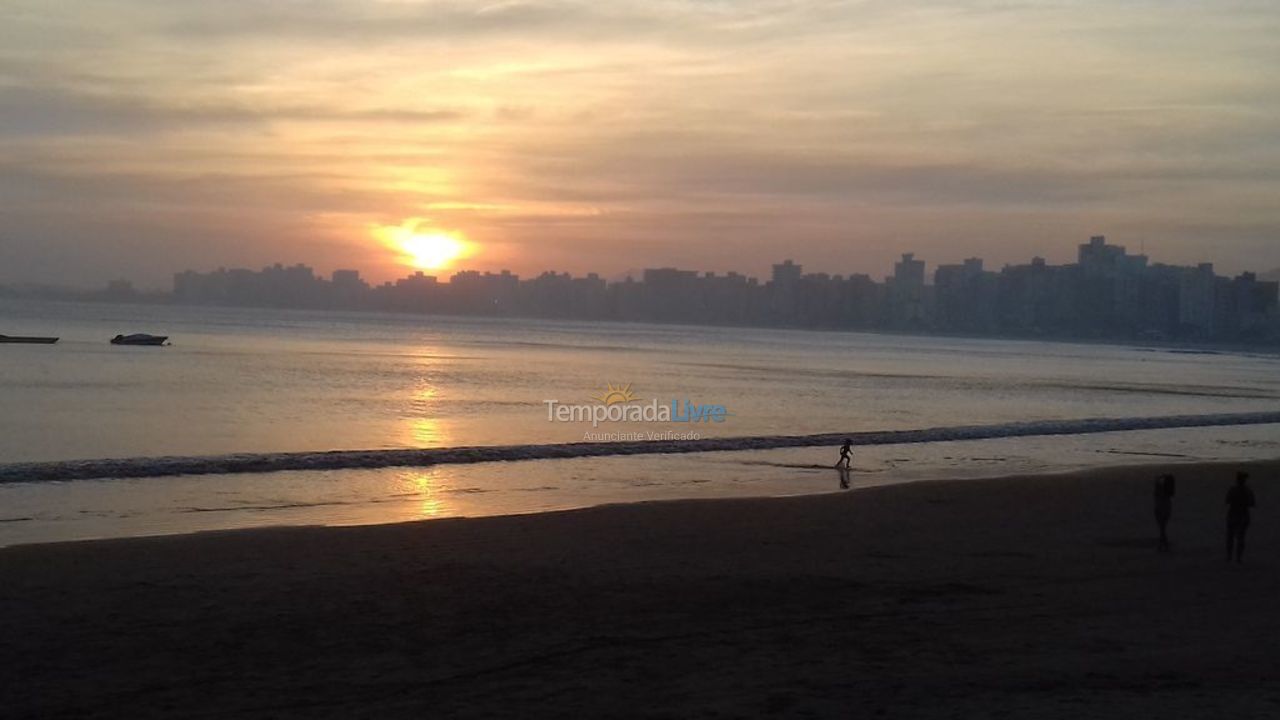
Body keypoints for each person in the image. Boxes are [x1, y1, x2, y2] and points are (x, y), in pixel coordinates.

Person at [1226, 471, 1256, 563]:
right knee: (1240, 537)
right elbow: (1252, 503)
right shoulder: (1247, 491)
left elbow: (1227, 501)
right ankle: (1238, 558)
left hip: (1233, 514)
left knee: (1230, 536)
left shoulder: (1232, 489)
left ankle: (1230, 557)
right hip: (1243, 514)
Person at [1153, 474, 1175, 552]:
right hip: (1167, 509)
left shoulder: (1159, 491)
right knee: (1163, 528)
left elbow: (1157, 483)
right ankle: (1163, 543)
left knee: (1162, 528)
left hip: (1160, 509)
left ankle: (1163, 543)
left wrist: (1160, 477)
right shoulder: (1167, 493)